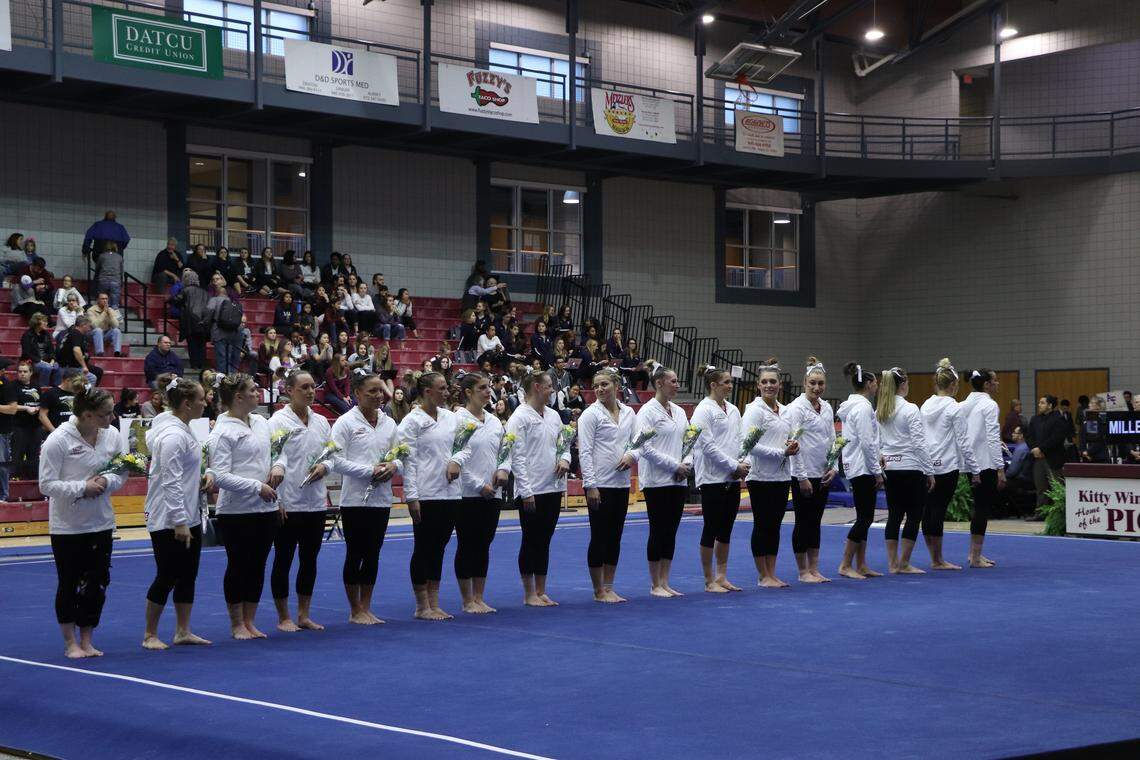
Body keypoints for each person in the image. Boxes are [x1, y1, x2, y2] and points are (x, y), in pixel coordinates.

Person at [39, 386, 125, 658]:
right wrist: (81, 487)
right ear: (86, 415)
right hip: (68, 526)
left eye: (112, 412)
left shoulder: (112, 435)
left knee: (98, 582)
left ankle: (87, 638)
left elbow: (122, 470)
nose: (112, 418)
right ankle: (70, 642)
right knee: (70, 582)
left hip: (101, 522)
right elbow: (46, 484)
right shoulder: (58, 440)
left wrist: (107, 481)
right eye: (105, 414)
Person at [206, 373, 285, 640]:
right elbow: (219, 475)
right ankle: (236, 623)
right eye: (253, 389)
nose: (258, 392)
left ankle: (250, 620)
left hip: (265, 508)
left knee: (258, 565)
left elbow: (277, 450)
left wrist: (278, 465)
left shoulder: (262, 422)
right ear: (238, 397)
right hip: (237, 511)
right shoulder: (222, 431)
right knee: (239, 565)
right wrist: (256, 487)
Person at [142, 378, 212, 651]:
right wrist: (179, 521)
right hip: (170, 518)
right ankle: (150, 634)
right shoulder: (172, 436)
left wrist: (200, 478)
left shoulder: (182, 429)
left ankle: (183, 630)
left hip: (188, 512)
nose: (205, 403)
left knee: (188, 575)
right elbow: (170, 481)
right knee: (167, 574)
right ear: (186, 404)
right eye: (201, 399)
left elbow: (182, 474)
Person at [327, 371, 401, 624]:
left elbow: (400, 454)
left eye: (380, 391)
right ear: (357, 393)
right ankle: (354, 609)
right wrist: (369, 471)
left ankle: (366, 606)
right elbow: (334, 460)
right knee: (355, 553)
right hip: (355, 500)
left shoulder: (389, 422)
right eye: (372, 391)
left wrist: (394, 466)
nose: (378, 396)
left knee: (373, 553)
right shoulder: (345, 423)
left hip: (381, 499)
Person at [399, 372, 473, 619]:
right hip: (426, 493)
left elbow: (465, 446)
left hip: (450, 492)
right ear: (427, 392)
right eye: (441, 388)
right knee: (424, 547)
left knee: (440, 547)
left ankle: (434, 601)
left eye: (446, 388)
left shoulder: (451, 418)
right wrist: (411, 496)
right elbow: (407, 461)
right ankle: (421, 606)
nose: (447, 392)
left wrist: (455, 460)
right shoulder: (412, 422)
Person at [267, 371, 332, 633]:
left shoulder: (321, 422)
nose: (309, 391)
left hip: (315, 502)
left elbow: (332, 454)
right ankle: (284, 616)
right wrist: (277, 500)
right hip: (287, 502)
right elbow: (271, 459)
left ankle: (304, 614)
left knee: (310, 560)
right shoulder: (277, 422)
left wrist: (325, 466)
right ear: (289, 390)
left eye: (312, 387)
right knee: (283, 559)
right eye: (303, 387)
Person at [505, 370, 570, 607]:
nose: (553, 390)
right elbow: (516, 457)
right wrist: (525, 491)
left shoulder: (553, 416)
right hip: (532, 489)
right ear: (536, 387)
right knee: (531, 539)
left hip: (552, 487)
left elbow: (564, 444)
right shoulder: (518, 418)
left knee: (545, 540)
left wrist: (565, 459)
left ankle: (541, 590)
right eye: (549, 386)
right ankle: (528, 592)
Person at [577, 369, 637, 603]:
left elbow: (637, 441)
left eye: (604, 384)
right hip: (599, 484)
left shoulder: (629, 412)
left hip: (621, 483)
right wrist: (590, 484)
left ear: (616, 385)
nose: (600, 389)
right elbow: (585, 451)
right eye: (596, 385)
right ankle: (598, 590)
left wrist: (632, 455)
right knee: (599, 536)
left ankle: (609, 585)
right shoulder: (590, 415)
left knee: (615, 536)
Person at [453, 372, 510, 613]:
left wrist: (504, 470)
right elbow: (454, 459)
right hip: (467, 493)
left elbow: (505, 450)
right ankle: (467, 600)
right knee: (467, 544)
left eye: (489, 387)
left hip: (493, 493)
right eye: (482, 388)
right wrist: (478, 485)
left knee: (484, 544)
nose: (488, 391)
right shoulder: (458, 420)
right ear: (468, 392)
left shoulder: (495, 421)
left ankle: (479, 596)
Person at [634, 365, 691, 598]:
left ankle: (665, 581)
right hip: (657, 480)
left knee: (671, 531)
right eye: (674, 381)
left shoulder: (678, 411)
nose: (677, 385)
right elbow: (643, 447)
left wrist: (686, 464)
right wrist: (673, 465)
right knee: (658, 530)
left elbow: (690, 440)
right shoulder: (647, 412)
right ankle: (655, 583)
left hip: (678, 479)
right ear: (659, 383)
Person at [690, 367, 749, 593]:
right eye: (726, 382)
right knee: (711, 528)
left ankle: (722, 575)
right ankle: (708, 580)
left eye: (730, 382)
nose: (730, 385)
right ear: (713, 385)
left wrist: (741, 463)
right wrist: (733, 465)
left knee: (726, 529)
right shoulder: (703, 410)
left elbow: (741, 440)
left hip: (732, 478)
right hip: (713, 478)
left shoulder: (733, 409)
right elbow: (707, 445)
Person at [742, 360, 799, 588]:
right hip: (760, 477)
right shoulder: (754, 411)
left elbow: (789, 437)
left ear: (780, 385)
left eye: (772, 381)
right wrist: (780, 452)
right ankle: (762, 574)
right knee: (763, 524)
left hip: (782, 476)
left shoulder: (785, 411)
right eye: (764, 382)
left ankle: (771, 572)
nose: (769, 385)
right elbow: (749, 444)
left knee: (775, 525)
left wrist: (794, 446)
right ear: (758, 385)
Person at [919, 359, 981, 571]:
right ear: (953, 386)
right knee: (938, 510)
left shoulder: (926, 404)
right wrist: (974, 469)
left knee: (928, 510)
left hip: (926, 464)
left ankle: (933, 557)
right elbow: (963, 441)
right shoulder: (954, 407)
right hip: (946, 466)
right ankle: (938, 560)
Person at [875, 367, 935, 575]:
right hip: (911, 467)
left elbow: (878, 442)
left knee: (894, 515)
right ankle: (904, 562)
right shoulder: (910, 409)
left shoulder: (881, 410)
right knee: (913, 515)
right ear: (902, 384)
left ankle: (892, 563)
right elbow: (919, 443)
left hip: (891, 468)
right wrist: (929, 471)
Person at [787, 357, 836, 584]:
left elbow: (833, 439)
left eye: (821, 384)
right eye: (813, 383)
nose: (817, 388)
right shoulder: (796, 408)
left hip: (823, 473)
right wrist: (801, 477)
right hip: (804, 475)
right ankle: (802, 570)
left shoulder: (826, 407)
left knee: (816, 521)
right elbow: (794, 444)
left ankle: (814, 568)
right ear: (804, 382)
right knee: (803, 520)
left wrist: (833, 467)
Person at [835, 362, 883, 580]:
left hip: (857, 464)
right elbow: (866, 442)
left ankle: (861, 563)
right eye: (876, 382)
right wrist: (876, 471)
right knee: (864, 518)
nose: (877, 386)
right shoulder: (862, 407)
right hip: (863, 467)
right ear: (870, 384)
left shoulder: (853, 406)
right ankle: (845, 564)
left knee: (865, 516)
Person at [960, 369, 1005, 568]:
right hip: (985, 462)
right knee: (982, 509)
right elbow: (993, 438)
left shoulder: (964, 404)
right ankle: (975, 557)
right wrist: (1000, 468)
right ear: (986, 384)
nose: (998, 384)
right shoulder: (989, 405)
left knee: (979, 507)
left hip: (970, 462)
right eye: (995, 381)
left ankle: (974, 553)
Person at [1025, 395, 1070, 511]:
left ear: (1050, 406)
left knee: (1056, 487)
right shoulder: (1035, 419)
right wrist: (1035, 449)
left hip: (1053, 458)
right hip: (1038, 458)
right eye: (1039, 402)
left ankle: (1060, 512)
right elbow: (1029, 436)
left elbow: (1056, 438)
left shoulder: (1058, 419)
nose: (1039, 405)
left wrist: (1041, 449)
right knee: (1040, 487)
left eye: (1042, 403)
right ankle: (1040, 512)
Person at [7, 363, 43, 481]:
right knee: (18, 452)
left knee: (33, 453)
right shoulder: (12, 386)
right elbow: (11, 406)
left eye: (25, 371)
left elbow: (40, 402)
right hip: (19, 425)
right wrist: (26, 408)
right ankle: (15, 477)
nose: (22, 374)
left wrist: (38, 408)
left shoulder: (36, 386)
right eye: (20, 371)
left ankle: (32, 477)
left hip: (35, 425)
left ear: (31, 373)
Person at [171, 269, 210, 369]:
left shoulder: (186, 290)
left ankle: (194, 365)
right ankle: (201, 365)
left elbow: (176, 300)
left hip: (190, 321)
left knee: (192, 345)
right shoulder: (205, 292)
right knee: (202, 345)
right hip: (203, 321)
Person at [207, 274, 244, 375]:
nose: (216, 281)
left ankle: (223, 381)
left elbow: (208, 314)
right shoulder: (233, 299)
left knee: (222, 358)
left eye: (218, 279)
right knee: (232, 358)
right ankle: (233, 379)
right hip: (234, 331)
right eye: (213, 279)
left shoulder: (213, 299)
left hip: (219, 331)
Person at [58, 316, 103, 387]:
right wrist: (84, 366)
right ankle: (86, 397)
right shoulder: (76, 334)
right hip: (68, 367)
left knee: (97, 371)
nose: (89, 328)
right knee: (92, 378)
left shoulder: (73, 333)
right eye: (88, 326)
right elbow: (76, 350)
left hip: (70, 364)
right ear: (83, 325)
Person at [21, 312, 63, 387]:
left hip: (46, 360)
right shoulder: (27, 335)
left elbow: (51, 351)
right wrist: (41, 361)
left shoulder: (46, 334)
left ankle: (57, 388)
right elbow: (26, 353)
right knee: (46, 368)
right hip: (32, 361)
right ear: (36, 322)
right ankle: (43, 387)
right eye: (44, 321)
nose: (46, 323)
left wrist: (52, 360)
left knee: (58, 367)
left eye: (46, 321)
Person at [39, 369, 86, 435]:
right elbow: (42, 415)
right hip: (57, 432)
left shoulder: (77, 393)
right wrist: (54, 431)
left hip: (75, 432)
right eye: (74, 383)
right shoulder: (51, 393)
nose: (76, 386)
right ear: (67, 380)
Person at [87, 292, 123, 358]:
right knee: (98, 330)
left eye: (106, 299)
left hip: (105, 334)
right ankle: (100, 353)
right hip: (93, 334)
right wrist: (104, 313)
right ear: (97, 300)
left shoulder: (111, 310)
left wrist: (111, 315)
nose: (105, 300)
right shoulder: (91, 310)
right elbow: (95, 325)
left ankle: (117, 352)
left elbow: (116, 325)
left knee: (116, 330)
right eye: (102, 299)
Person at [92, 242, 124, 309]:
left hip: (103, 280)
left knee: (102, 302)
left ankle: (102, 317)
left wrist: (95, 281)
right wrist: (121, 282)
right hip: (115, 281)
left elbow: (97, 269)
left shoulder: (102, 256)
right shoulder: (119, 257)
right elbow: (121, 271)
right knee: (114, 304)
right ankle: (113, 317)